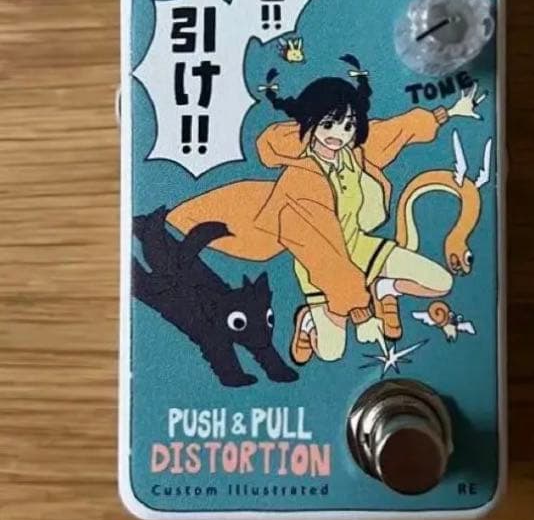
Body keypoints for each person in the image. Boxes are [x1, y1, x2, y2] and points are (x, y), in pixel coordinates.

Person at [167, 56, 484, 364]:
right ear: (311, 123)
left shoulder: (351, 154)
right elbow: (324, 254)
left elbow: (393, 132)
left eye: (348, 126)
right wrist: (361, 313)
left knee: (441, 282)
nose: (338, 135)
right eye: (329, 124)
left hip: (360, 247)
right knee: (331, 352)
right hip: (318, 266)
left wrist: (447, 113)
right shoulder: (300, 184)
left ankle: (384, 288)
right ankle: (307, 321)